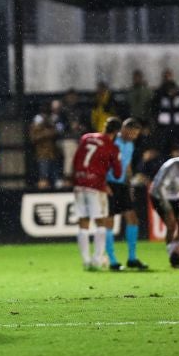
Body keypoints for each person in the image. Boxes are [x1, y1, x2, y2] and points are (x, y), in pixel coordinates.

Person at [72, 117, 122, 270]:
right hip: (96, 186)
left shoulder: (86, 138)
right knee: (101, 222)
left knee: (83, 222)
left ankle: (86, 261)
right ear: (116, 132)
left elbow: (75, 160)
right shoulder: (112, 147)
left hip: (79, 183)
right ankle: (97, 259)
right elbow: (118, 173)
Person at [105, 118, 148, 270]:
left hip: (122, 185)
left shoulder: (129, 144)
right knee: (109, 221)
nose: (135, 137)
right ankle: (112, 260)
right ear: (124, 129)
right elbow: (102, 163)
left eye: (137, 134)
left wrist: (129, 186)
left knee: (133, 219)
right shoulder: (111, 142)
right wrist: (103, 184)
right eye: (133, 133)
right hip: (109, 184)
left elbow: (127, 166)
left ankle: (132, 258)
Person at [149, 152, 179, 244]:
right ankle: (171, 251)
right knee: (171, 225)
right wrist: (168, 209)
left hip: (174, 196)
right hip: (158, 196)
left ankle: (178, 248)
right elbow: (161, 188)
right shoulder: (172, 167)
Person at [30, 102, 61, 190]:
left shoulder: (53, 119)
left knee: (56, 179)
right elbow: (34, 137)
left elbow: (59, 130)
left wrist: (51, 131)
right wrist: (47, 133)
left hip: (53, 153)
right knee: (43, 178)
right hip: (42, 153)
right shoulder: (37, 120)